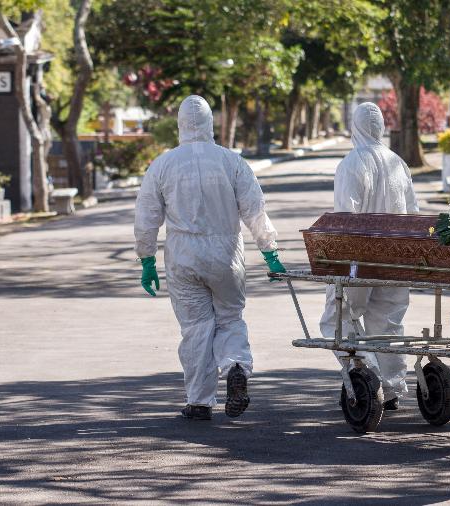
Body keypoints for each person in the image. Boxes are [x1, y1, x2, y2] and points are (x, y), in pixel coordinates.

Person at [135, 95, 286, 421]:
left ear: (179, 124)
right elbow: (254, 209)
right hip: (226, 255)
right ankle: (235, 367)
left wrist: (147, 259)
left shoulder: (163, 164)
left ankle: (200, 401)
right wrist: (270, 252)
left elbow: (146, 217)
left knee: (196, 328)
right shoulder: (231, 161)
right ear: (210, 123)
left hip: (184, 256)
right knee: (230, 318)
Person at [318, 102, 419, 410]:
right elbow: (413, 215)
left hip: (361, 259)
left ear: (355, 127)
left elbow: (346, 218)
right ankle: (391, 390)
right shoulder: (398, 163)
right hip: (395, 258)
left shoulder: (352, 163)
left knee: (336, 319)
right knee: (387, 324)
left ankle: (367, 372)